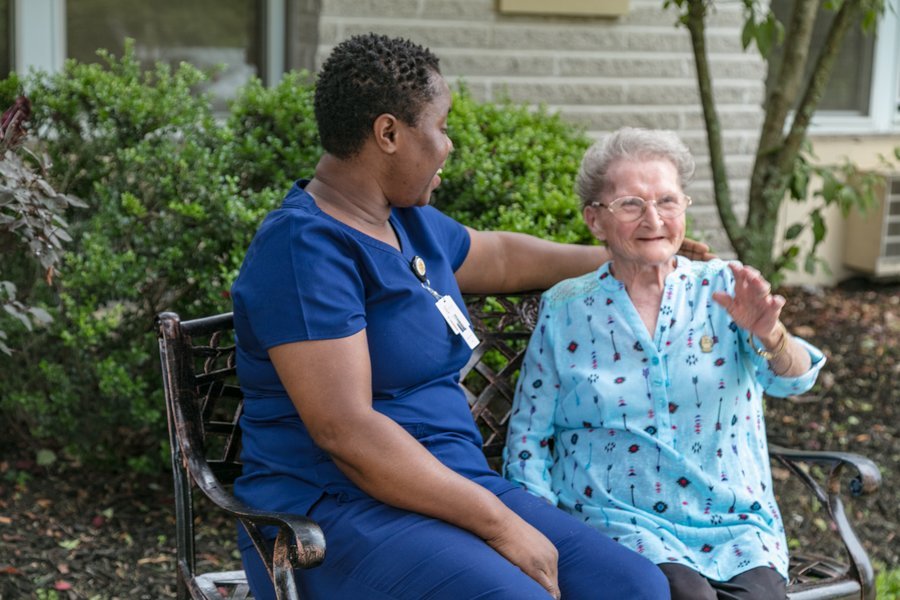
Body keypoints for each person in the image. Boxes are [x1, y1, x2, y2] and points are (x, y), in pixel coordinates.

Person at [230, 34, 718, 600]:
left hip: (455, 485)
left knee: (635, 588)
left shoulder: (407, 224)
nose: (449, 143)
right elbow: (347, 432)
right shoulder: (303, 249)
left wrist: (625, 254)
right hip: (336, 513)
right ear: (388, 134)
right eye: (440, 126)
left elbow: (506, 257)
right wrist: (501, 524)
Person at [503, 127, 826, 600]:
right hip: (616, 519)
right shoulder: (566, 307)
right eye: (631, 204)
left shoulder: (723, 287)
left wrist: (769, 334)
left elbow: (794, 382)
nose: (653, 218)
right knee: (683, 595)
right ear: (595, 220)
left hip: (733, 522)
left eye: (667, 201)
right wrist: (538, 535)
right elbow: (529, 438)